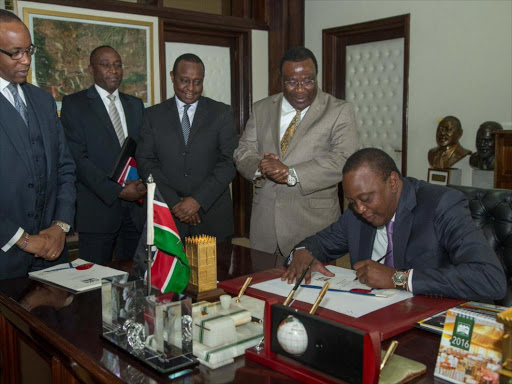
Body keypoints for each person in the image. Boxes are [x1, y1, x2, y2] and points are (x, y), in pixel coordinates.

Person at [283, 148, 506, 301]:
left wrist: (398, 278)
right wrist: (302, 253)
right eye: (352, 201)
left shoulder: (441, 205)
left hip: (428, 322)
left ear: (392, 182)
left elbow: (489, 279)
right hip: (372, 317)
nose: (359, 208)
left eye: (366, 198)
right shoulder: (357, 214)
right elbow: (318, 244)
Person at [234, 46, 358, 262]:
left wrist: (291, 173)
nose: (300, 90)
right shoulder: (262, 108)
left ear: (317, 77)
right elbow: (243, 151)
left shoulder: (338, 110)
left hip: (313, 228)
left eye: (308, 81)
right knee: (263, 291)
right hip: (266, 229)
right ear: (281, 80)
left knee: (311, 293)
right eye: (292, 82)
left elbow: (344, 159)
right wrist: (261, 166)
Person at [0, 10, 76, 279]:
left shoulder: (43, 101)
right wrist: (23, 240)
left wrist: (60, 227)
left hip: (53, 254)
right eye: (16, 52)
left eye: (29, 50)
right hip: (5, 260)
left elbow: (65, 168)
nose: (27, 60)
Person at [136, 53, 237, 242]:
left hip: (212, 218)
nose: (191, 88)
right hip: (166, 217)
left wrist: (197, 201)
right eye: (185, 81)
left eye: (197, 82)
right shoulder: (152, 116)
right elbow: (146, 162)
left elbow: (228, 162)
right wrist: (176, 204)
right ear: (172, 77)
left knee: (217, 272)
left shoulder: (221, 113)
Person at [60, 46, 146, 265]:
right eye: (105, 65)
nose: (113, 70)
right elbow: (78, 159)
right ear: (91, 69)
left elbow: (144, 151)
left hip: (135, 211)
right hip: (98, 211)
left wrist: (142, 185)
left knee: (135, 279)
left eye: (117, 65)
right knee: (95, 285)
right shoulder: (74, 105)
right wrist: (117, 191)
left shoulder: (135, 105)